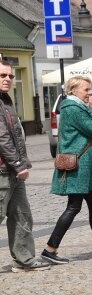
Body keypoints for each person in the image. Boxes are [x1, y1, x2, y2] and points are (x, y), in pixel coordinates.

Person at [42, 76, 92, 264]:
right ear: (73, 90)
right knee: (74, 207)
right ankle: (50, 249)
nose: (89, 93)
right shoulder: (72, 108)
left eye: (89, 90)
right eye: (86, 90)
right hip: (79, 166)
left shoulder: (77, 107)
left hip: (84, 167)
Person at [0, 60, 49, 272]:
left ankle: (24, 259)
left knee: (22, 215)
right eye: (3, 75)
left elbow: (15, 134)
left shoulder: (6, 100)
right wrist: (19, 164)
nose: (8, 79)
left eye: (10, 76)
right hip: (3, 170)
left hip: (13, 171)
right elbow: (2, 137)